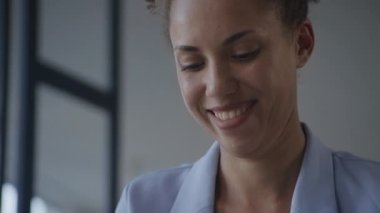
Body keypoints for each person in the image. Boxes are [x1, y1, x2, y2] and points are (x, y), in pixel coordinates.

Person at [116, 0, 380, 212]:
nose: (217, 86)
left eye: (244, 53)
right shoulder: (141, 204)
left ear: (301, 43)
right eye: (192, 64)